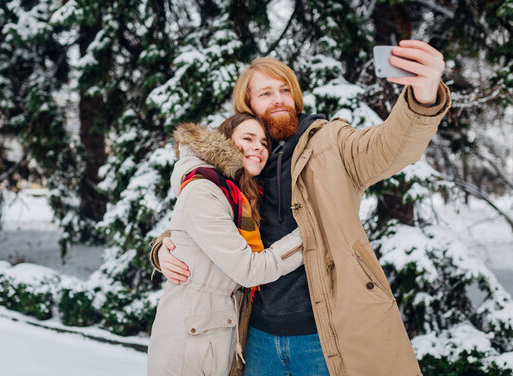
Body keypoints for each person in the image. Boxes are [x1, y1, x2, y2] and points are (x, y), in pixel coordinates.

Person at [151, 40, 451, 375]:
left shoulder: (331, 143)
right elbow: (206, 212)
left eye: (285, 90)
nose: (279, 98)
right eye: (265, 93)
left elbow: (388, 147)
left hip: (324, 336)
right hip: (256, 336)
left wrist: (422, 99)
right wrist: (166, 246)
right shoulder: (242, 163)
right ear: (247, 105)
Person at [147, 113, 305, 375]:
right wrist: (308, 235)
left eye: (264, 143)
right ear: (225, 142)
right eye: (248, 139)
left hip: (209, 336)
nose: (259, 147)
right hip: (189, 345)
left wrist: (160, 246)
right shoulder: (205, 190)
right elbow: (249, 269)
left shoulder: (238, 193)